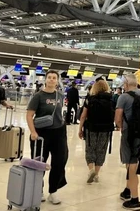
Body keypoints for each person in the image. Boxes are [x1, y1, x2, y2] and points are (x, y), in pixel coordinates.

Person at [26, 70, 68, 205]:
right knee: (39, 162)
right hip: (41, 134)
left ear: (57, 80)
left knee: (59, 162)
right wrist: (33, 132)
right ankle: (38, 189)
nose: (51, 80)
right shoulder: (38, 96)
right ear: (45, 80)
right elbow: (29, 115)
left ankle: (53, 191)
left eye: (54, 78)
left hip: (59, 133)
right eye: (49, 77)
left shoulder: (60, 95)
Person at [115, 74, 140, 211]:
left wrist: (121, 127)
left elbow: (117, 118)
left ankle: (135, 200)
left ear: (127, 84)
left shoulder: (124, 97)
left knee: (132, 165)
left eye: (123, 84)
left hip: (129, 134)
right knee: (134, 161)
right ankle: (128, 190)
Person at [78, 79, 115, 184]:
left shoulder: (90, 99)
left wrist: (80, 128)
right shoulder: (111, 99)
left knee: (90, 149)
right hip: (106, 129)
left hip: (91, 128)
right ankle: (97, 174)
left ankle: (91, 170)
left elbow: (83, 115)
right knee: (101, 150)